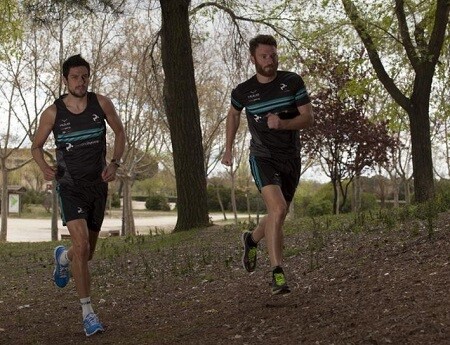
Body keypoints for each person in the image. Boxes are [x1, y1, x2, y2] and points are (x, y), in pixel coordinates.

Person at [31, 54, 126, 336]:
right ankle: (88, 313)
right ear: (65, 79)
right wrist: (44, 167)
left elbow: (120, 133)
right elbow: (36, 147)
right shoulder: (53, 113)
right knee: (82, 246)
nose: (80, 81)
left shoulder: (102, 103)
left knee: (86, 253)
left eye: (84, 76)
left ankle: (63, 259)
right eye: (74, 77)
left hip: (98, 185)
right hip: (69, 186)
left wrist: (115, 163)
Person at [221, 34, 313, 295]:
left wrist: (283, 123)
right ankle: (277, 273)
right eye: (264, 56)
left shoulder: (292, 81)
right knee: (279, 208)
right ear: (253, 59)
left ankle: (251, 240)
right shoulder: (243, 91)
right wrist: (228, 149)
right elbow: (233, 115)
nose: (270, 60)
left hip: (290, 157)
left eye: (273, 55)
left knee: (278, 214)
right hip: (262, 156)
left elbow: (308, 118)